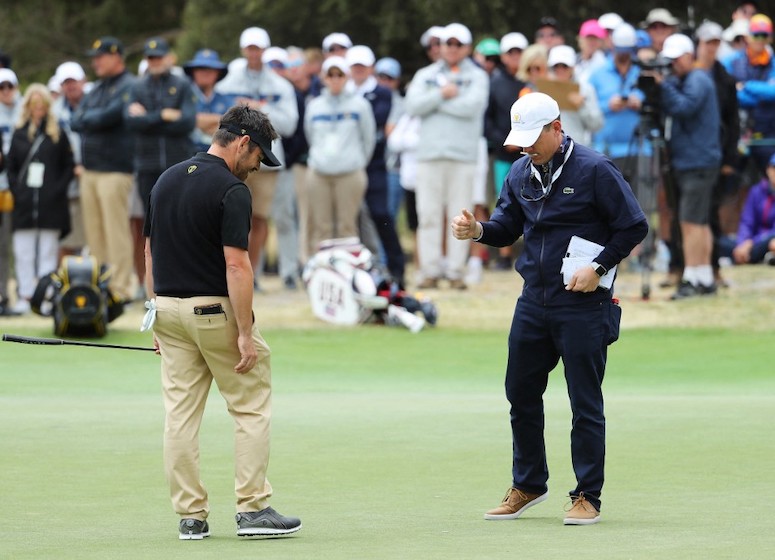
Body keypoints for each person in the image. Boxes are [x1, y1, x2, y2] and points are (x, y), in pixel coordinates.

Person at [450, 92, 648, 525]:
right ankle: (528, 484)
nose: (525, 147)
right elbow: (506, 228)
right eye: (520, 138)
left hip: (584, 304)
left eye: (532, 137)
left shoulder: (596, 169)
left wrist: (598, 267)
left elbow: (634, 225)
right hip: (533, 301)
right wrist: (478, 230)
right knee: (519, 393)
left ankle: (587, 496)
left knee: (584, 402)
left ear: (557, 127)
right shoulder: (521, 171)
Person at [143, 104, 301, 540]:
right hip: (213, 311)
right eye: (257, 158)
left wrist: (154, 312)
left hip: (168, 311)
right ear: (243, 143)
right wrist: (246, 331)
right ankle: (253, 510)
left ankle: (191, 517)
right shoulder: (232, 190)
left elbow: (150, 254)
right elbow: (237, 266)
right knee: (250, 408)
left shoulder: (166, 179)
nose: (256, 168)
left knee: (179, 417)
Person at [404, 22, 490, 289]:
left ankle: (455, 272)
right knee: (427, 215)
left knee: (460, 217)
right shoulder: (425, 74)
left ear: (466, 48)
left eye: (457, 44)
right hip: (429, 155)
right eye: (447, 43)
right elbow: (412, 105)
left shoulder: (477, 76)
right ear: (440, 46)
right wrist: (442, 94)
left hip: (462, 156)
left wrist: (437, 103)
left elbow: (473, 107)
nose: (451, 48)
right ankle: (429, 271)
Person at [215, 27, 299, 284]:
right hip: (233, 160)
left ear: (264, 50)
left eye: (258, 48)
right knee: (233, 218)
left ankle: (254, 275)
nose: (254, 53)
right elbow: (218, 121)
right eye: (250, 48)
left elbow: (289, 124)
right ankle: (233, 271)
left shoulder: (280, 85)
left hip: (264, 160)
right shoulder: (226, 84)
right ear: (243, 50)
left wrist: (260, 109)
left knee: (260, 217)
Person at [652, 33, 722, 299]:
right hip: (698, 160)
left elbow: (684, 107)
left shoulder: (697, 79)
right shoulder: (692, 79)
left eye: (675, 60)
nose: (672, 66)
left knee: (690, 221)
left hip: (697, 161)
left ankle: (692, 277)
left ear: (688, 56)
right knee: (699, 221)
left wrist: (663, 86)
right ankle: (703, 276)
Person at [70, 36, 137, 304]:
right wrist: (92, 119)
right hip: (91, 169)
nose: (95, 62)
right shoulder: (97, 89)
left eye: (101, 57)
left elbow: (113, 115)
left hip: (116, 169)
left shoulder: (129, 85)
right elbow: (76, 120)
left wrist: (91, 119)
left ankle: (121, 288)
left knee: (115, 230)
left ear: (117, 57)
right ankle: (98, 284)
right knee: (94, 233)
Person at [6, 83, 74, 314]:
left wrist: (57, 189)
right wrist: (18, 190)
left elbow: (68, 166)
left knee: (47, 252)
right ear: (27, 106)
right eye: (33, 104)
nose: (38, 109)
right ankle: (25, 295)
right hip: (24, 205)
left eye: (42, 104)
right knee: (23, 252)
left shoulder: (57, 134)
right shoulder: (19, 133)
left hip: (50, 204)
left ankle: (44, 296)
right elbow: (11, 166)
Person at [304, 56, 376, 252]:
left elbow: (368, 140)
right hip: (319, 172)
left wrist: (355, 161)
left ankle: (347, 275)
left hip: (350, 173)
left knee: (347, 226)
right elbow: (310, 135)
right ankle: (322, 275)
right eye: (330, 75)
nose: (335, 79)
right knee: (321, 226)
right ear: (323, 78)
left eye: (340, 75)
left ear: (346, 77)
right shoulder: (314, 105)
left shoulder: (360, 105)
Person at [125, 37, 197, 213]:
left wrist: (147, 120)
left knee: (180, 213)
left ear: (168, 57)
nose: (155, 62)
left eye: (159, 57)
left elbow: (188, 122)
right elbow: (130, 122)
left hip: (178, 162)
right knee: (151, 216)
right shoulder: (137, 86)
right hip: (146, 163)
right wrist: (163, 115)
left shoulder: (182, 84)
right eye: (151, 58)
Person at [724, 14, 775, 177]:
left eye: (764, 35)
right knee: (731, 185)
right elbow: (729, 93)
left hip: (767, 136)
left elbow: (773, 93)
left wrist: (746, 86)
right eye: (756, 35)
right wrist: (763, 91)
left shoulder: (773, 62)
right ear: (748, 37)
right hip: (738, 134)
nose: (760, 39)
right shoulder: (731, 61)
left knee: (769, 183)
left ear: (770, 38)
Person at [52, 62, 88, 259]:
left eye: (73, 81)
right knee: (69, 235)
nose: (70, 86)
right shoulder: (55, 111)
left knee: (95, 232)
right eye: (66, 82)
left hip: (94, 171)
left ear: (82, 81)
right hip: (68, 178)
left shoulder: (94, 102)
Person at [545, 45, 603, 147]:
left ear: (572, 67)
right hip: (551, 148)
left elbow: (596, 125)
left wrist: (582, 106)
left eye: (564, 66)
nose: (560, 70)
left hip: (577, 148)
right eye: (556, 67)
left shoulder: (585, 89)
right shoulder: (544, 90)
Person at [0, 67, 21, 316]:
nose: (6, 92)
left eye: (9, 86)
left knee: (10, 247)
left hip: (13, 188)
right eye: (1, 87)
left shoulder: (24, 110)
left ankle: (7, 296)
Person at [729, 152, 775, 265]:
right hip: (753, 242)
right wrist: (742, 242)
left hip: (766, 240)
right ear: (768, 169)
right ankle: (752, 256)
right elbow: (746, 221)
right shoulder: (756, 191)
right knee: (721, 242)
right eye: (774, 168)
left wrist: (752, 242)